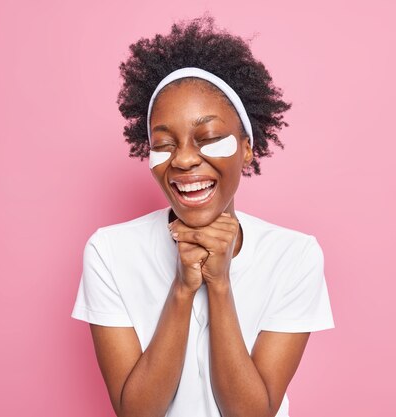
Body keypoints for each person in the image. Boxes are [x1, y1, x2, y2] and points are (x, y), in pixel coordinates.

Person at [71, 15, 335, 417]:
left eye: (209, 138)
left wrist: (220, 284)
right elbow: (136, 412)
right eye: (163, 144)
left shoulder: (295, 256)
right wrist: (182, 288)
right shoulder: (109, 251)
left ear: (247, 149)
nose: (185, 159)